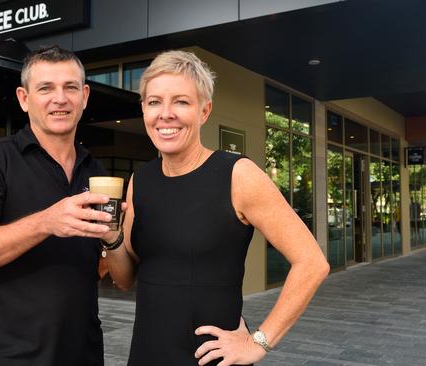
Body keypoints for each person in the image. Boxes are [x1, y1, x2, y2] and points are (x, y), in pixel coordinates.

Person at [101, 50, 329, 365]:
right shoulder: (140, 180)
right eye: (154, 102)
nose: (165, 113)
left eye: (181, 101)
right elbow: (125, 279)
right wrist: (110, 237)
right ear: (143, 109)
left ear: (204, 111)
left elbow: (312, 263)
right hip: (146, 354)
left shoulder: (238, 175)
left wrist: (258, 342)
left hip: (212, 359)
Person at [0, 45, 120, 365]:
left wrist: (114, 241)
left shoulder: (95, 172)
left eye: (70, 87)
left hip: (83, 354)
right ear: (24, 99)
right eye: (45, 88)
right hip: (10, 356)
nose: (60, 98)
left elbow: (93, 265)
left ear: (84, 96)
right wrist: (46, 222)